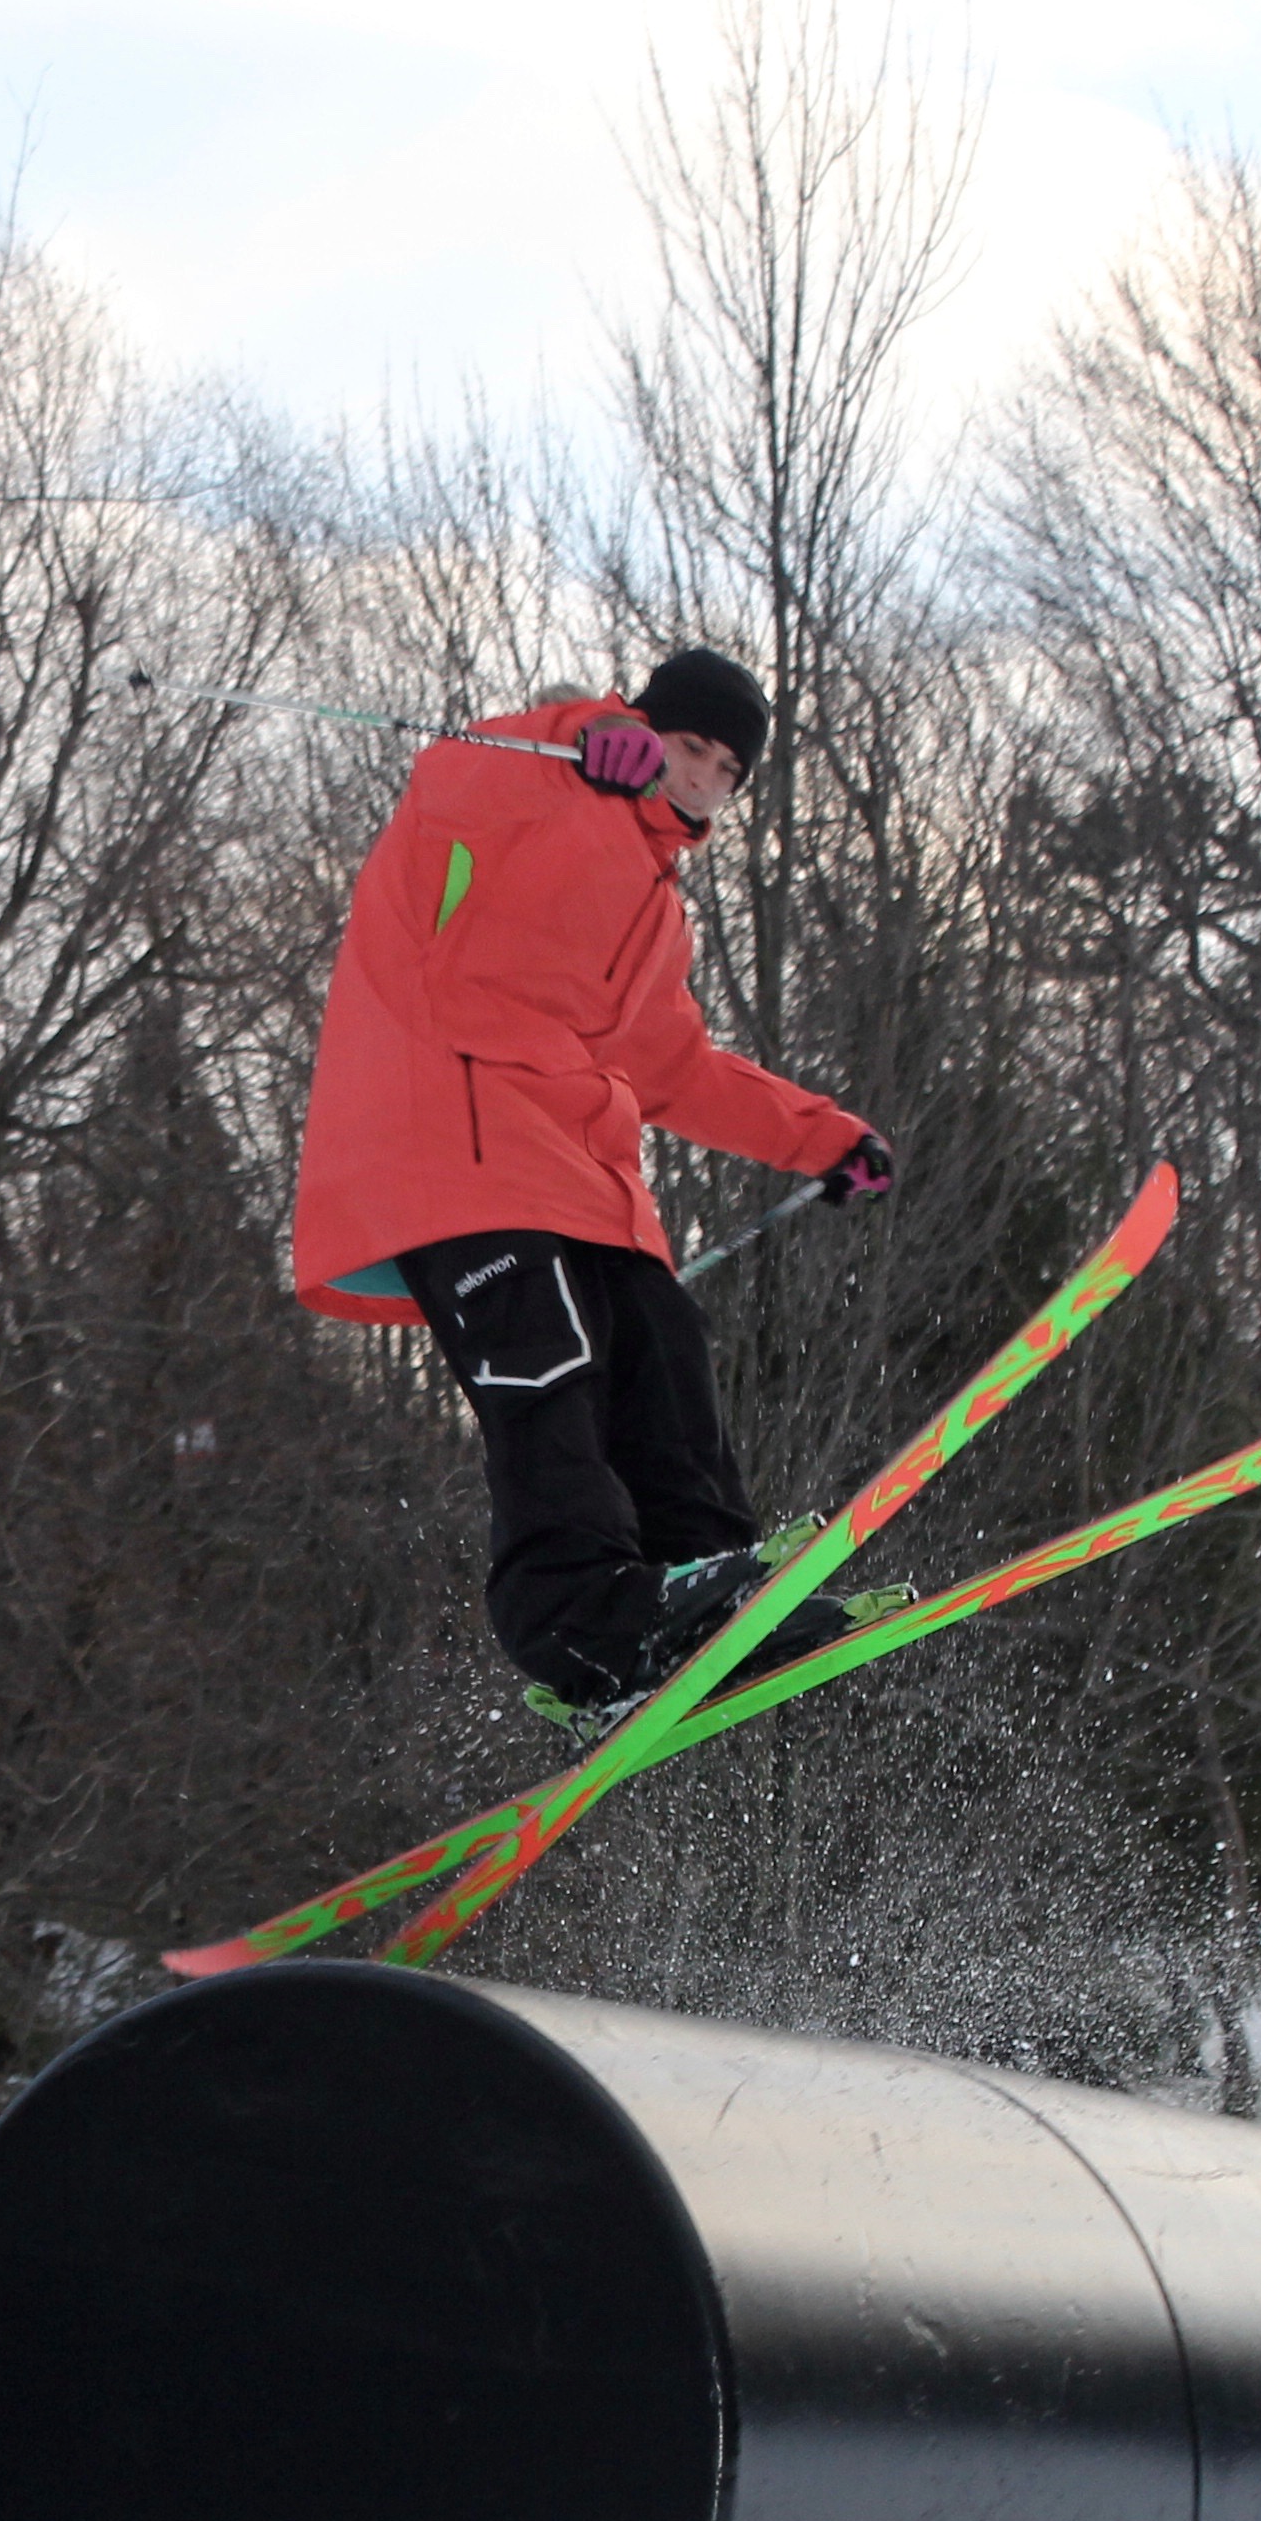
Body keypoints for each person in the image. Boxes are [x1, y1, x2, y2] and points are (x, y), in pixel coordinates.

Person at [286, 647, 896, 1726]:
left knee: (663, 1347)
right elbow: (451, 780)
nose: (699, 775)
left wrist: (823, 1139)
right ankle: (576, 1619)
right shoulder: (533, 783)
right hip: (451, 1144)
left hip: (574, 1170)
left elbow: (674, 1068)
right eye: (687, 745)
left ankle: (706, 1584)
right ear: (644, 729)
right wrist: (576, 748)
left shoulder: (657, 912)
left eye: (725, 769)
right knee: (549, 1367)